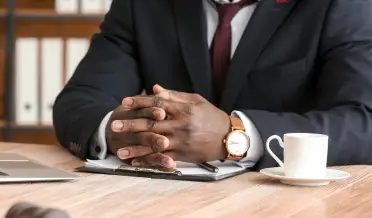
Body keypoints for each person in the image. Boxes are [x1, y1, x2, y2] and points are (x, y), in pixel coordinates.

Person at [52, 0, 372, 171]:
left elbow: (363, 123)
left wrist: (237, 137)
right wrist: (123, 130)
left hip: (294, 211)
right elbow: (80, 101)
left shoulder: (341, 4)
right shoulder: (142, 5)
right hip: (162, 201)